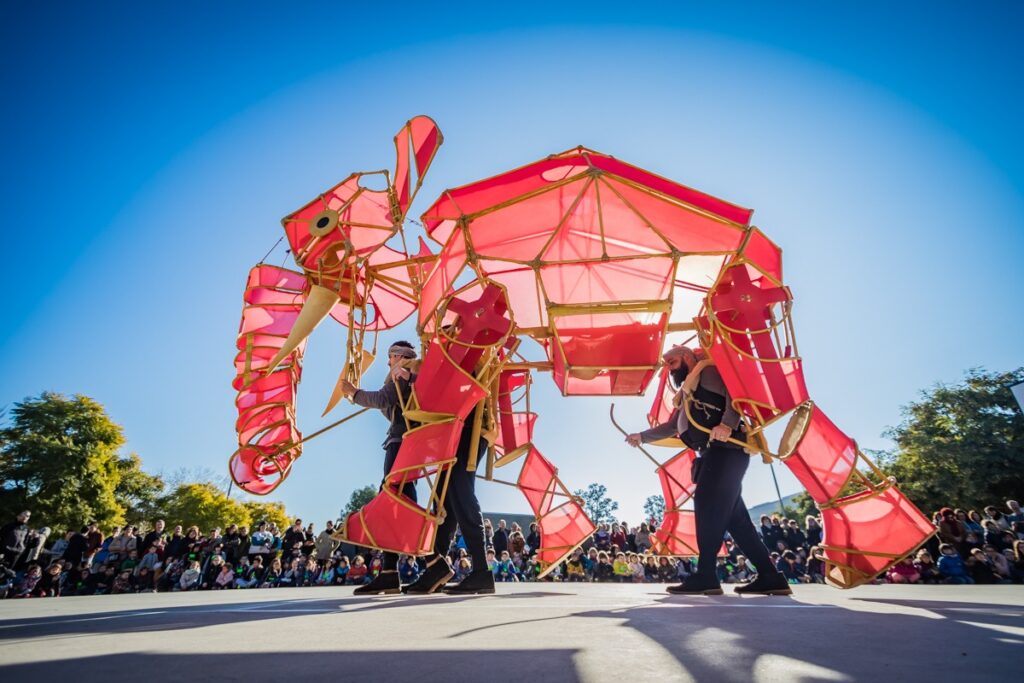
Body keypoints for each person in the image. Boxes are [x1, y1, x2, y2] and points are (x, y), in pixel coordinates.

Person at [626, 345, 789, 596]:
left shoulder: (710, 372)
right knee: (738, 522)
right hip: (715, 454)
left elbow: (734, 396)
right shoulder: (690, 388)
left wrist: (727, 424)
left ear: (688, 357)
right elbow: (673, 426)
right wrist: (643, 436)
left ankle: (706, 575)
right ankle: (770, 576)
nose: (669, 370)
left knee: (706, 504)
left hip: (725, 450)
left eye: (672, 362)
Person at [340, 340, 420, 595]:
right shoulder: (409, 374)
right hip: (405, 441)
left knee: (394, 503)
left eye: (390, 356)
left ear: (399, 356)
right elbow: (390, 405)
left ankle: (427, 563)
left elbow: (384, 398)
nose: (388, 361)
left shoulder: (403, 370)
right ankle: (390, 571)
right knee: (399, 503)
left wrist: (354, 393)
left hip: (401, 443)